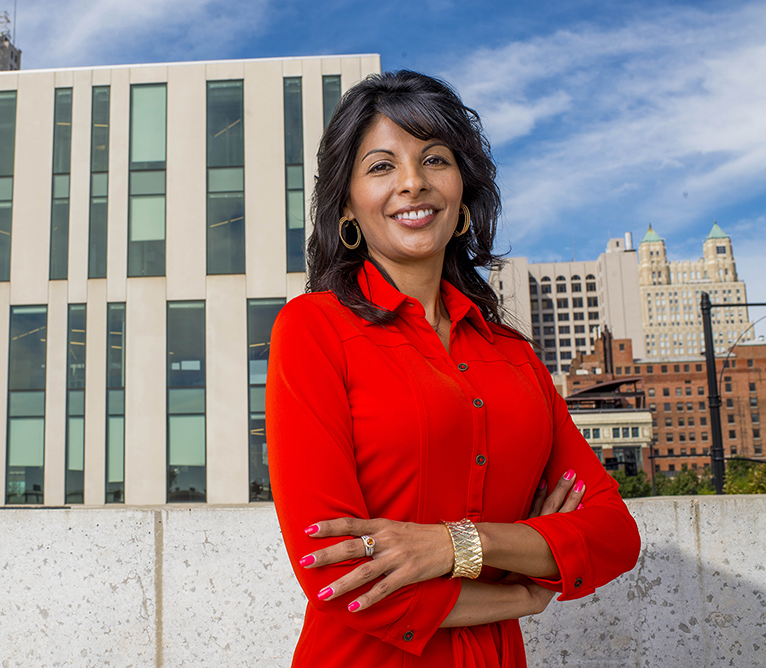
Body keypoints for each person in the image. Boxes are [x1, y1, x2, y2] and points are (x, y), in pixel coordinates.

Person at [265, 70, 641, 667]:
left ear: (463, 193)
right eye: (381, 166)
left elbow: (614, 537)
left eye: (434, 160)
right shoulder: (314, 330)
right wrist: (521, 589)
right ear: (347, 206)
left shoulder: (514, 357)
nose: (412, 183)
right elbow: (336, 576)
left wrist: (454, 545)